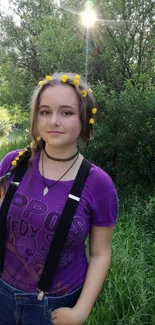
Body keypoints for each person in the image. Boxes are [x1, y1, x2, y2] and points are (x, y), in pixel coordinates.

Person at [0, 72, 118, 325]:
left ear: (84, 119)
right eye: (45, 112)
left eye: (66, 112)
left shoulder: (99, 184)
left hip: (53, 308)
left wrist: (81, 312)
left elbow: (100, 253)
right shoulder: (13, 163)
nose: (54, 121)